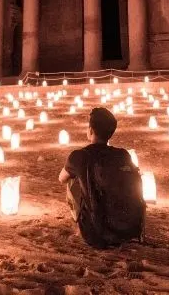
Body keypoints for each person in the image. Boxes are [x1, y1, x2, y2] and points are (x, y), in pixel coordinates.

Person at [58, 106, 145, 248]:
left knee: (72, 179)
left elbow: (61, 178)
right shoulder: (123, 154)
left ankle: (82, 222)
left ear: (90, 130)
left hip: (96, 234)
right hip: (128, 230)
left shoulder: (79, 156)